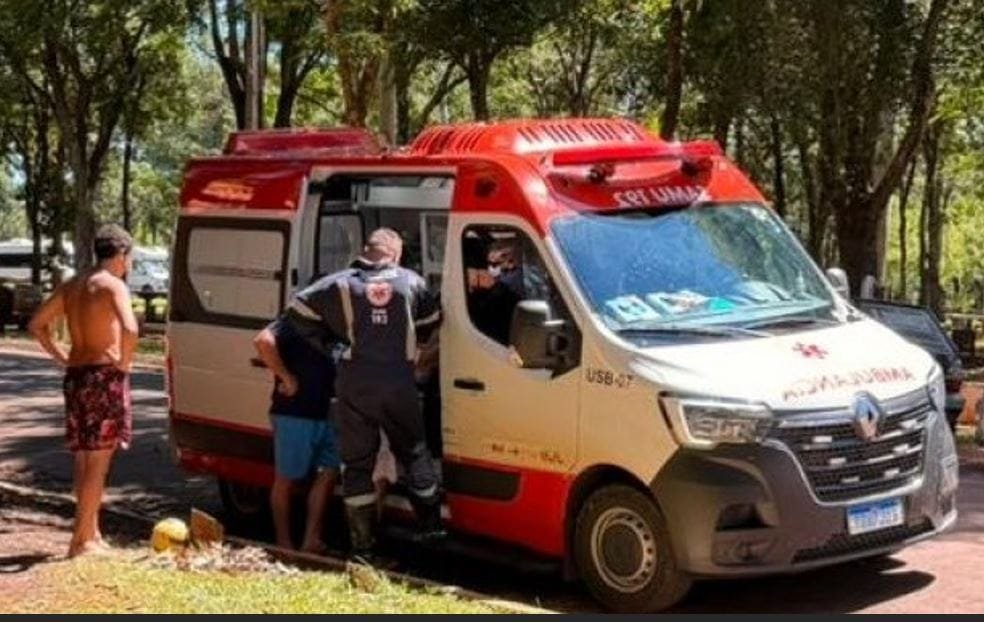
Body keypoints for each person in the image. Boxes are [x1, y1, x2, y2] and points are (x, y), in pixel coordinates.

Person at [281, 227, 443, 559]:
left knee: (356, 465)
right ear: (395, 253)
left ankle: (363, 549)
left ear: (365, 250)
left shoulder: (339, 282)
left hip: (355, 382)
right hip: (398, 381)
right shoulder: (412, 282)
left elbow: (296, 311)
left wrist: (333, 344)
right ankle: (431, 531)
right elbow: (432, 323)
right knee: (414, 453)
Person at [28, 224, 139, 558]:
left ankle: (91, 530)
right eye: (129, 257)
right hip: (104, 375)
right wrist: (123, 361)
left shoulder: (74, 284)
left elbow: (36, 324)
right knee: (98, 459)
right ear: (122, 254)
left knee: (83, 456)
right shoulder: (112, 285)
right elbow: (131, 328)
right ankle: (80, 540)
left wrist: (63, 358)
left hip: (77, 375)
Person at [253, 315, 340, 554]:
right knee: (287, 479)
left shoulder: (339, 324)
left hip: (329, 411)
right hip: (295, 413)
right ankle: (284, 543)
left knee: (329, 472)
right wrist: (286, 376)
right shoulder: (294, 320)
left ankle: (311, 539)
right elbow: (263, 341)